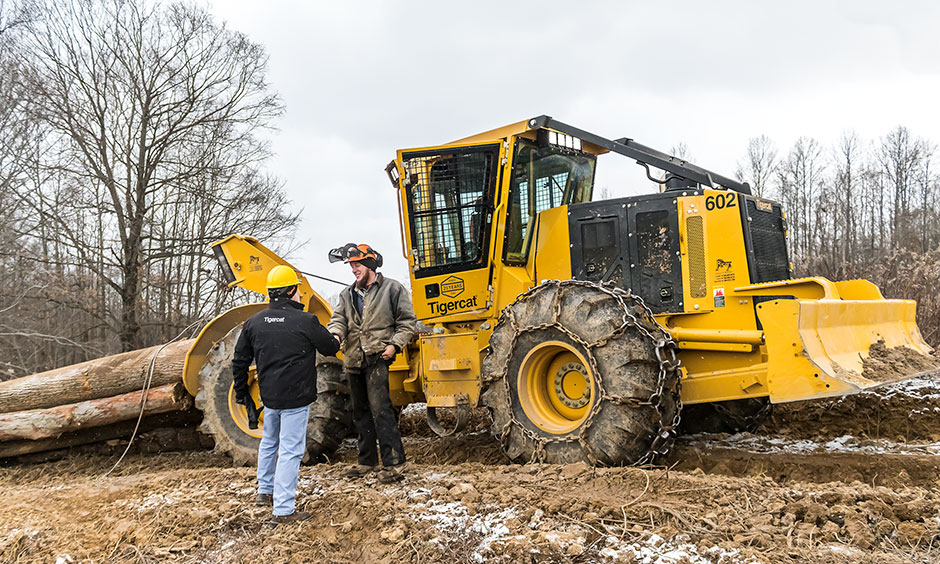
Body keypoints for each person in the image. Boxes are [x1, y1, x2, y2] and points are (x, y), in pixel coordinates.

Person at [232, 265, 339, 525]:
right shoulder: (306, 321)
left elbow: (239, 360)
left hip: (269, 397)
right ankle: (283, 510)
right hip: (296, 398)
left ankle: (264, 491)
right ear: (292, 291)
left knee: (269, 442)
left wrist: (242, 392)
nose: (301, 296)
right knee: (291, 451)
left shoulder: (254, 322)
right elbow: (331, 348)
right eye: (299, 292)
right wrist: (335, 334)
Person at [327, 243, 417, 483]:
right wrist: (335, 335)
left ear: (369, 265)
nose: (353, 269)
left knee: (381, 411)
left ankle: (395, 463)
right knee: (361, 413)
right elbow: (338, 320)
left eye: (357, 265)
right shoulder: (347, 295)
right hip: (354, 358)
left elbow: (407, 322)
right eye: (351, 266)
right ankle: (367, 461)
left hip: (378, 357)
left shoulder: (392, 289)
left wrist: (395, 345)